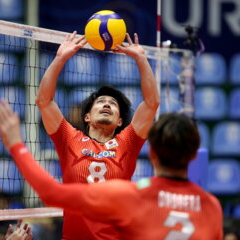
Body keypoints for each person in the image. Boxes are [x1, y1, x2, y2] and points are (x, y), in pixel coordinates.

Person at [0, 99, 223, 239]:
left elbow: (50, 193)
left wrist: (16, 144)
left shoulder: (129, 195)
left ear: (152, 154)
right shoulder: (212, 206)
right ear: (195, 156)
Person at [35, 31, 159, 239]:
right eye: (100, 101)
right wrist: (60, 58)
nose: (107, 104)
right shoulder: (69, 138)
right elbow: (44, 102)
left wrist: (141, 59)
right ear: (87, 117)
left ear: (120, 121)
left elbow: (151, 103)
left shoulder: (127, 142)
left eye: (113, 104)